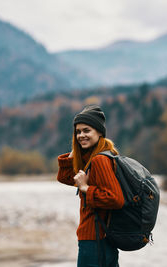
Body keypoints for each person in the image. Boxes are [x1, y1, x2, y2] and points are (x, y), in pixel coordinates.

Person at [57, 105, 124, 267]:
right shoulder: (96, 158)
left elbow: (116, 199)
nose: (81, 135)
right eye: (78, 132)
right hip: (102, 239)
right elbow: (66, 178)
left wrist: (86, 188)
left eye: (87, 131)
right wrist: (74, 152)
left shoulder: (99, 160)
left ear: (100, 132)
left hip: (95, 240)